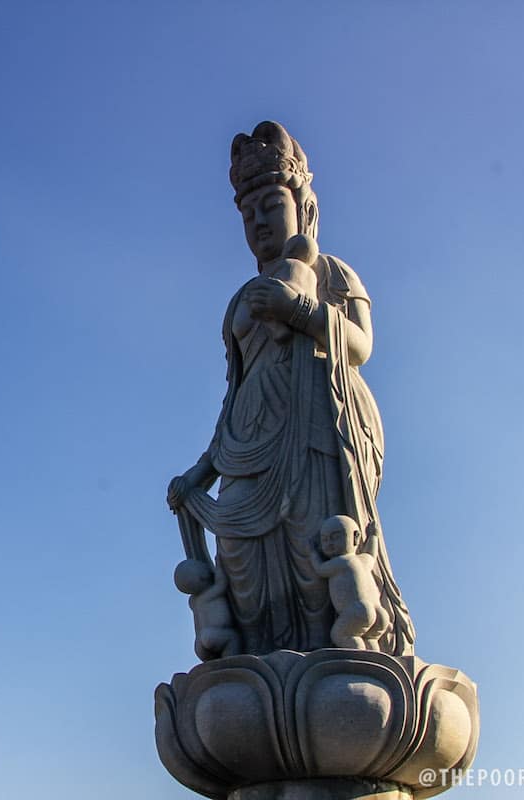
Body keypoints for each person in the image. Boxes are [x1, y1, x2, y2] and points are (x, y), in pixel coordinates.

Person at [166, 121, 414, 657]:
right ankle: (254, 660)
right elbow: (234, 394)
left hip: (316, 431)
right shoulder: (239, 301)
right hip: (250, 445)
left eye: (271, 205)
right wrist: (201, 472)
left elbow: (359, 346)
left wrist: (299, 310)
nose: (258, 221)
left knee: (317, 546)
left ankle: (341, 652)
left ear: (303, 207)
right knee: (239, 557)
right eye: (247, 213)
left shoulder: (332, 273)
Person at [309, 515, 391, 649]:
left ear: (356, 537)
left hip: (359, 610)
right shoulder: (363, 560)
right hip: (380, 613)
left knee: (341, 635)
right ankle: (374, 659)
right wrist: (373, 536)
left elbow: (320, 569)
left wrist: (313, 552)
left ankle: (357, 657)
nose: (329, 543)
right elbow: (372, 554)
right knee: (370, 638)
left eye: (335, 537)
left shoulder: (341, 562)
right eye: (324, 540)